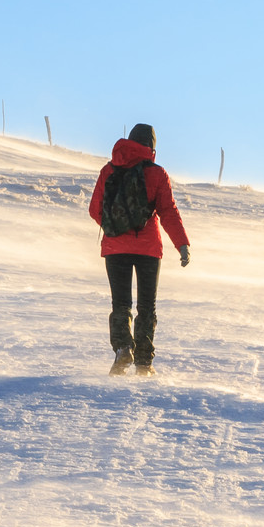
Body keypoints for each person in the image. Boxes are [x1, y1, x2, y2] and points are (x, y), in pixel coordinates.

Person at [89, 124, 190, 376]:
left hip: (114, 248)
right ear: (151, 147)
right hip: (148, 249)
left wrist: (115, 226)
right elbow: (168, 212)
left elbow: (95, 208)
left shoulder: (108, 169)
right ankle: (144, 363)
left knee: (120, 303)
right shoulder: (157, 173)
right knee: (147, 306)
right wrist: (182, 244)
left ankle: (123, 349)